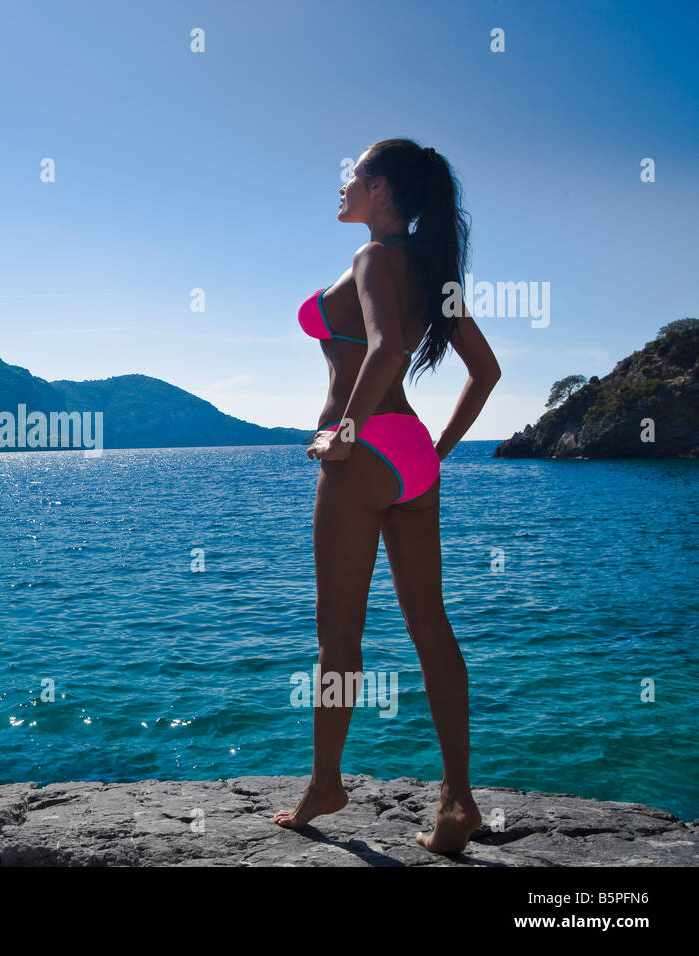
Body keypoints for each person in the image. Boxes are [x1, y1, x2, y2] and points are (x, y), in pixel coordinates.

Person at [274, 139, 502, 854]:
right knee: (431, 629)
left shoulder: (372, 258)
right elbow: (487, 372)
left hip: (363, 449)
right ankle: (458, 800)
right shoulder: (433, 271)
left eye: (354, 174)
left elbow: (385, 350)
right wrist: (432, 455)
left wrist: (343, 433)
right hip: (410, 454)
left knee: (338, 637)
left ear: (379, 189)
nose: (344, 183)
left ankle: (324, 784)